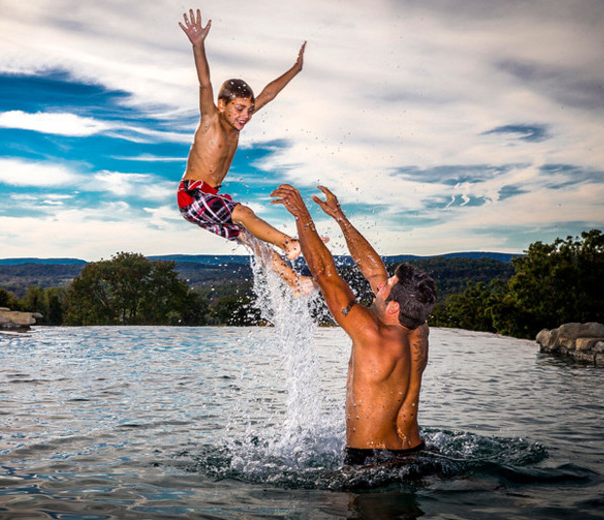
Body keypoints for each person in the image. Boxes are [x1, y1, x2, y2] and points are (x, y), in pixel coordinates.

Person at [270, 184, 436, 465]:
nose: (380, 285)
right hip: (415, 451)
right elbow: (373, 270)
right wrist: (339, 216)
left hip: (371, 461)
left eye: (388, 286)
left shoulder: (372, 334)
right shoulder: (418, 328)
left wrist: (302, 215)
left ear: (393, 307)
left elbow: (324, 274)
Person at [177, 8, 314, 294]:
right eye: (239, 109)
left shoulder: (237, 125)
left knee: (252, 240)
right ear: (222, 105)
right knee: (243, 213)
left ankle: (295, 283)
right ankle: (289, 243)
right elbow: (205, 82)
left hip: (209, 198)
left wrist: (296, 69)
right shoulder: (210, 121)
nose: (245, 116)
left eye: (249, 110)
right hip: (193, 195)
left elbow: (269, 94)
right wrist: (198, 45)